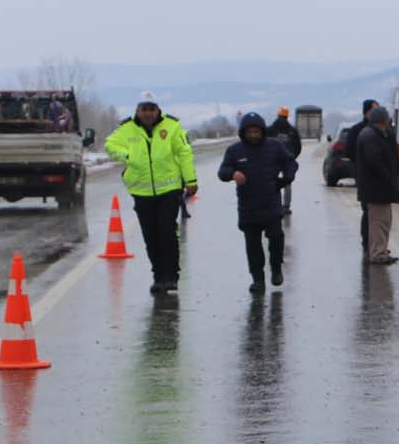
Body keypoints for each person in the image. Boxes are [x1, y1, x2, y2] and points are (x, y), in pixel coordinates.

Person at [104, 92, 198, 295]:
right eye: (144, 109)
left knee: (166, 232)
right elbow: (109, 145)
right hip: (141, 191)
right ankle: (158, 276)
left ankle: (171, 276)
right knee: (151, 236)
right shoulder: (126, 128)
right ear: (138, 110)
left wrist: (190, 180)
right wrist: (128, 155)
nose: (148, 113)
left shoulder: (172, 127)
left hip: (169, 190)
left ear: (158, 110)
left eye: (151, 109)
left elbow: (184, 153)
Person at [217, 112, 299, 293]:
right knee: (253, 246)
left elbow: (290, 163)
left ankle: (276, 268)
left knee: (276, 238)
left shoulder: (274, 147)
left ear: (262, 131)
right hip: (248, 206)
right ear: (243, 133)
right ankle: (258, 279)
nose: (253, 135)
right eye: (250, 132)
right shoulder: (235, 151)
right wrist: (232, 174)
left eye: (256, 131)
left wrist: (286, 178)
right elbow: (222, 171)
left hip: (271, 202)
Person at [354, 105, 399, 266]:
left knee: (383, 221)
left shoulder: (374, 134)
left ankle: (380, 250)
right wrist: (388, 177)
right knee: (378, 222)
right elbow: (374, 161)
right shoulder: (371, 136)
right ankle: (378, 253)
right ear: (382, 120)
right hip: (376, 188)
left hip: (377, 188)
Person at [340, 98, 378, 251]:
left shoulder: (381, 128)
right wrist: (361, 164)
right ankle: (367, 242)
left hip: (378, 175)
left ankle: (377, 243)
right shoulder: (357, 130)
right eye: (374, 109)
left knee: (378, 212)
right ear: (367, 112)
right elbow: (349, 150)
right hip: (364, 175)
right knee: (367, 209)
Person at [263, 106, 302, 214]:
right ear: (287, 116)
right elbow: (298, 147)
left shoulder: (269, 130)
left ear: (278, 115)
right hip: (287, 160)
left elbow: (262, 143)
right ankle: (286, 206)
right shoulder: (292, 131)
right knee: (287, 182)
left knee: (270, 181)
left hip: (271, 160)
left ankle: (270, 204)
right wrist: (292, 157)